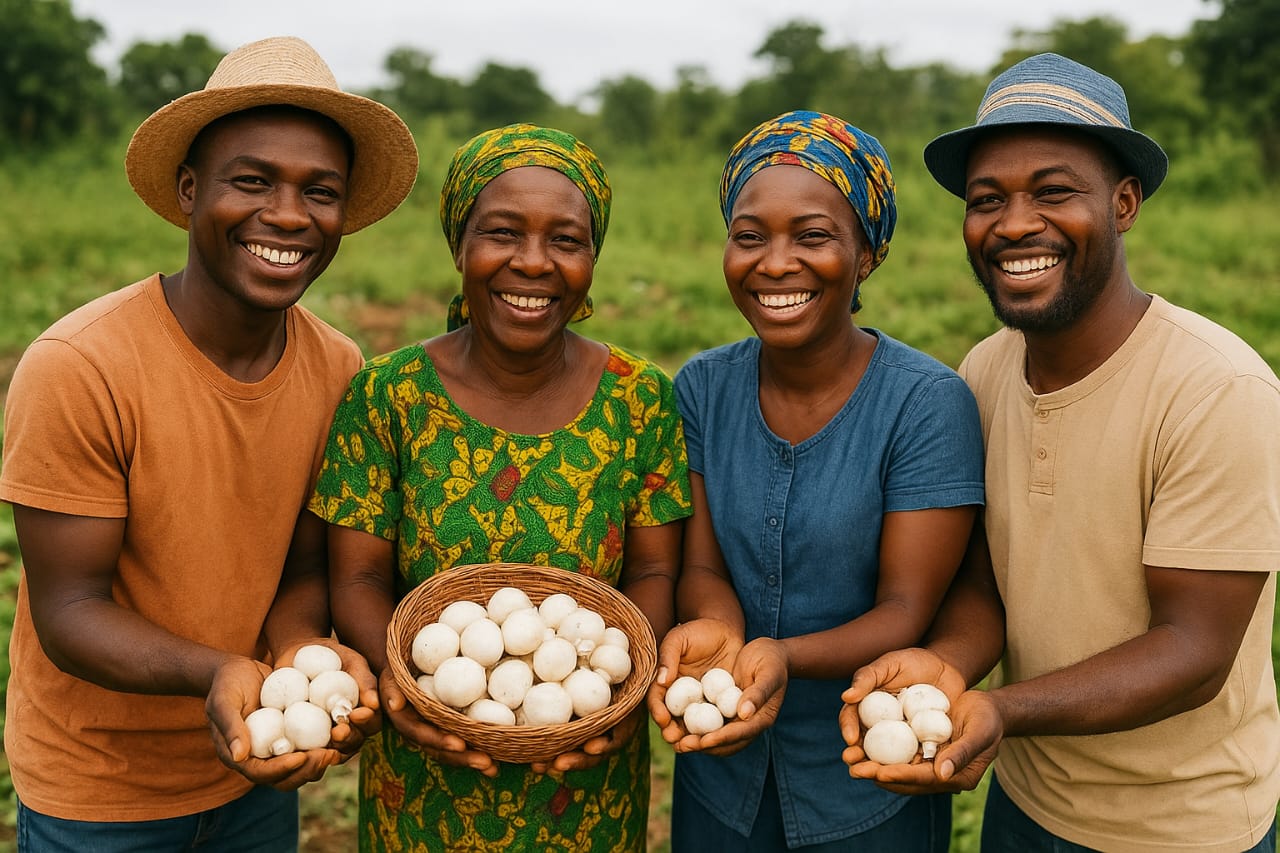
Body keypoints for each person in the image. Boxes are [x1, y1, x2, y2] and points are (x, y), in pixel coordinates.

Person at [840, 53, 1280, 853]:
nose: (1013, 223)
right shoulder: (985, 368)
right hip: (1024, 805)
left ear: (1123, 202)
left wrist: (1004, 709)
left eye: (1053, 190)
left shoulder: (1216, 389)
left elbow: (1194, 652)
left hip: (1182, 830)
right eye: (986, 200)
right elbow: (987, 584)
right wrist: (945, 668)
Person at [0, 36, 419, 849]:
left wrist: (304, 662)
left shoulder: (337, 366)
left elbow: (301, 568)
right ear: (190, 190)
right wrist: (222, 673)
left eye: (319, 191)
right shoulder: (81, 366)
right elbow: (69, 609)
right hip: (100, 789)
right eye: (253, 180)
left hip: (257, 769)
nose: (289, 215)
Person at [308, 122, 693, 851]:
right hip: (423, 775)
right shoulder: (389, 394)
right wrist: (408, 684)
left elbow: (653, 567)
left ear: (593, 257)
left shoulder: (639, 397)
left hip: (589, 785)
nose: (533, 262)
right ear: (460, 245)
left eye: (566, 240)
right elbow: (355, 577)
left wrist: (619, 691)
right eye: (502, 232)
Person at [647, 110, 985, 852]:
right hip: (721, 782)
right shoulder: (703, 387)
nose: (774, 262)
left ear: (867, 253)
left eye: (812, 235)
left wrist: (784, 657)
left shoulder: (925, 404)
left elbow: (905, 607)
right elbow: (701, 565)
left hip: (866, 780)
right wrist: (721, 635)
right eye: (749, 235)